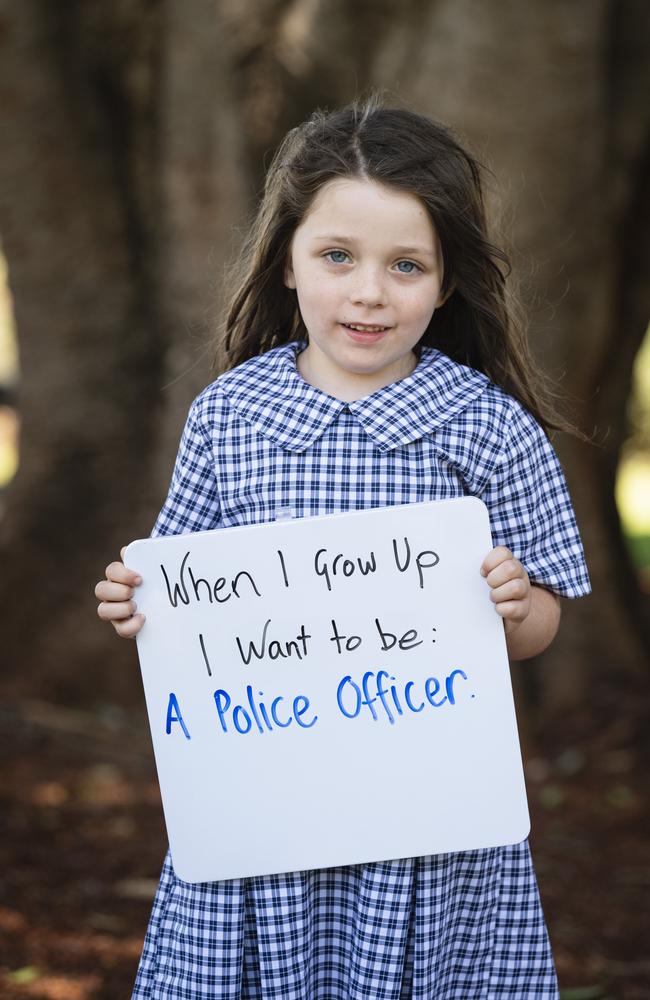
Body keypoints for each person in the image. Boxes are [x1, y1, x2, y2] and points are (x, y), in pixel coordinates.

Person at [95, 96, 591, 999]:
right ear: (285, 260)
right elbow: (183, 604)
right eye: (337, 256)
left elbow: (542, 622)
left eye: (407, 265)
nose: (369, 291)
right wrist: (139, 601)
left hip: (429, 833)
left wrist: (518, 608)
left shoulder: (486, 427)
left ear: (447, 285)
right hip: (262, 821)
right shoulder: (229, 417)